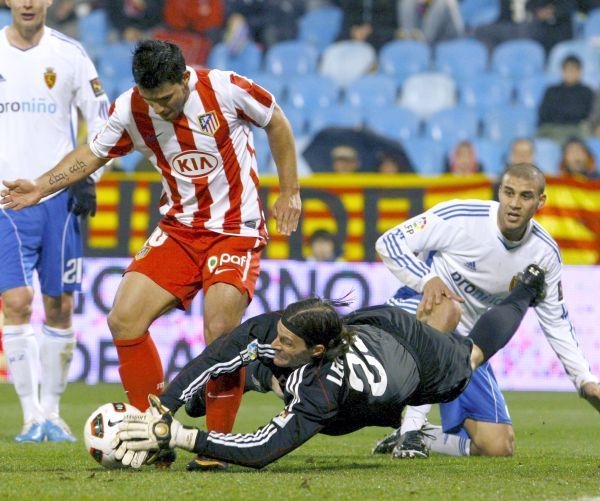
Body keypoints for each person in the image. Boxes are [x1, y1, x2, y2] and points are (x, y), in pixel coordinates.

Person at [1, 39, 301, 469]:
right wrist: (41, 186)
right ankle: (152, 435)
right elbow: (91, 153)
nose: (159, 109)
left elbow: (277, 121)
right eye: (150, 100)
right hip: (179, 229)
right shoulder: (130, 109)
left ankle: (215, 445)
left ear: (184, 78)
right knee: (123, 318)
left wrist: (289, 192)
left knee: (220, 328)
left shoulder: (226, 88)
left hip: (235, 229)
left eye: (166, 99)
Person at [109, 264, 547, 469]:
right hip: (372, 325)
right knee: (245, 357)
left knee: (471, 352)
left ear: (316, 351)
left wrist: (182, 436)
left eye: (287, 342)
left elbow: (261, 450)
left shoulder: (321, 391)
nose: (275, 342)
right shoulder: (278, 331)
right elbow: (214, 355)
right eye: (278, 332)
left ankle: (527, 287)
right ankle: (216, 393)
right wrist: (163, 407)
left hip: (412, 361)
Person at [373, 163, 600, 459]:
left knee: (497, 446)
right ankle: (412, 430)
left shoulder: (544, 255)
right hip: (418, 315)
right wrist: (427, 279)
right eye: (508, 193)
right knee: (446, 307)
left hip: (467, 349)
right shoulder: (461, 217)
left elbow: (556, 322)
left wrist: (584, 381)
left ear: (540, 201)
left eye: (525, 196)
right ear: (499, 192)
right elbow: (388, 242)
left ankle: (426, 436)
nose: (515, 204)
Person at [0, 0, 109, 443]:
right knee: (17, 302)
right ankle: (30, 418)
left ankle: (53, 413)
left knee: (60, 305)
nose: (28, 2)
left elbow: (102, 120)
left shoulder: (71, 54)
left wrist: (89, 176)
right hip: (5, 199)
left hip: (58, 199)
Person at [537, 55, 594, 143]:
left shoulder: (587, 92)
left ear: (580, 72)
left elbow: (584, 114)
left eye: (573, 70)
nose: (570, 73)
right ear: (562, 71)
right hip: (551, 128)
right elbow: (543, 113)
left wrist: (562, 114)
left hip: (575, 129)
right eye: (567, 70)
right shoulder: (551, 91)